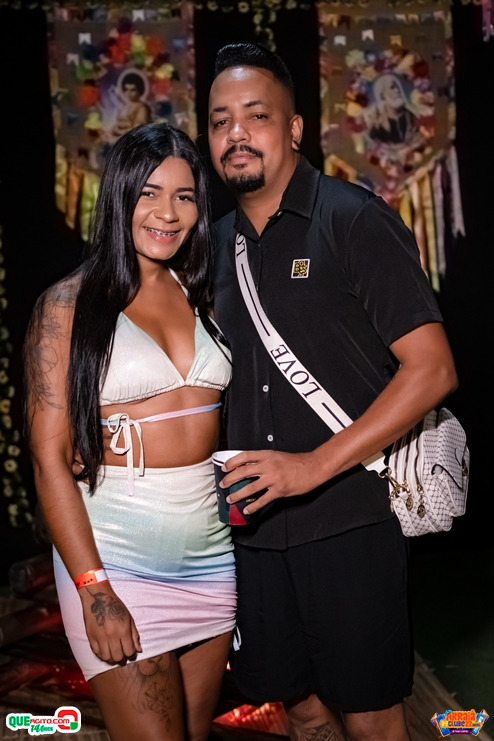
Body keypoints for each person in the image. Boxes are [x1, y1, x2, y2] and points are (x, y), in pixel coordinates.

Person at [209, 44, 458, 741]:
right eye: (220, 121)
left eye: (256, 115)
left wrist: (312, 466)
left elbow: (432, 369)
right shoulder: (211, 245)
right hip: (251, 530)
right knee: (294, 704)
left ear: (293, 129)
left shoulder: (353, 218)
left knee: (370, 716)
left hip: (349, 520)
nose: (236, 133)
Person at [24, 123, 235, 741]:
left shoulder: (202, 293)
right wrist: (95, 591)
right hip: (117, 558)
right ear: (119, 196)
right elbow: (49, 460)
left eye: (184, 196)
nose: (168, 213)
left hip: (210, 557)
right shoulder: (68, 306)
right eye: (149, 193)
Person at [368, 74, 418, 146]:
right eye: (392, 87)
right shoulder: (378, 124)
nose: (397, 90)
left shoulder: (411, 116)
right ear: (382, 96)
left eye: (398, 87)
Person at [111, 71, 152, 139]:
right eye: (126, 89)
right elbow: (117, 126)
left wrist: (118, 132)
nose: (129, 93)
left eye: (133, 90)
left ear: (139, 90)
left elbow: (137, 130)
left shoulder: (141, 108)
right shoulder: (124, 107)